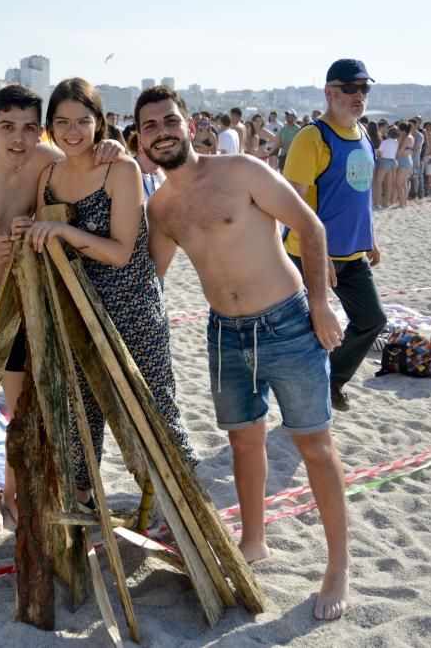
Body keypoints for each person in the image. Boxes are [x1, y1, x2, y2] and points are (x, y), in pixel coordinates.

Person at [135, 85, 349, 621]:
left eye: (169, 121)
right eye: (149, 126)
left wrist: (320, 304)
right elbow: (148, 279)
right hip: (225, 334)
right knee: (243, 443)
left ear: (190, 125)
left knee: (314, 446)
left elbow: (310, 225)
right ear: (140, 141)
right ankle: (254, 541)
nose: (162, 132)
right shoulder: (160, 207)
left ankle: (337, 565)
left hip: (289, 323)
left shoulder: (242, 171)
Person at [0, 84, 123, 532]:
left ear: (42, 130)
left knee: (20, 411)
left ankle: (13, 496)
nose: (19, 138)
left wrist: (111, 143)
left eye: (30, 128)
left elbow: (90, 158)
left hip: (17, 298)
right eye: (8, 127)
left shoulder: (46, 164)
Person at [13, 78, 196, 509]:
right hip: (77, 310)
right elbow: (48, 243)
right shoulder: (48, 176)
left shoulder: (122, 169)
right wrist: (30, 231)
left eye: (82, 121)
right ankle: (83, 500)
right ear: (49, 127)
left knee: (156, 409)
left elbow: (120, 251)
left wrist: (61, 228)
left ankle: (186, 504)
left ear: (100, 123)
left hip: (132, 310)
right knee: (81, 416)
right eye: (62, 122)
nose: (72, 131)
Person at [282, 59, 385, 412]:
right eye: (349, 88)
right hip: (308, 253)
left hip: (351, 255)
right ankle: (303, 403)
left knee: (372, 320)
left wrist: (369, 237)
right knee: (311, 333)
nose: (358, 95)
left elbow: (360, 196)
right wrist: (317, 250)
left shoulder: (363, 134)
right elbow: (293, 202)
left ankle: (333, 380)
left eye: (364, 88)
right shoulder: (312, 137)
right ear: (329, 92)